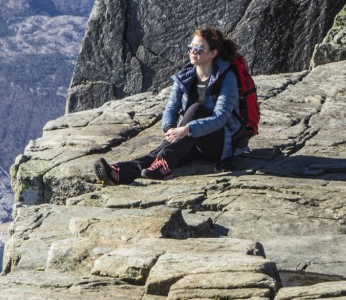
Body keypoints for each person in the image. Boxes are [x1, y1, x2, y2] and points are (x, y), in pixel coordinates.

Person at [94, 26, 242, 184]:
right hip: (192, 139)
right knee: (160, 154)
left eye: (199, 49)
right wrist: (169, 127)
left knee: (196, 110)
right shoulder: (186, 76)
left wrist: (187, 129)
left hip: (218, 145)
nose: (193, 51)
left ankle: (163, 165)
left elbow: (221, 117)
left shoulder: (226, 78)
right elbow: (171, 107)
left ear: (213, 53)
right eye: (190, 47)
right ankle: (117, 173)